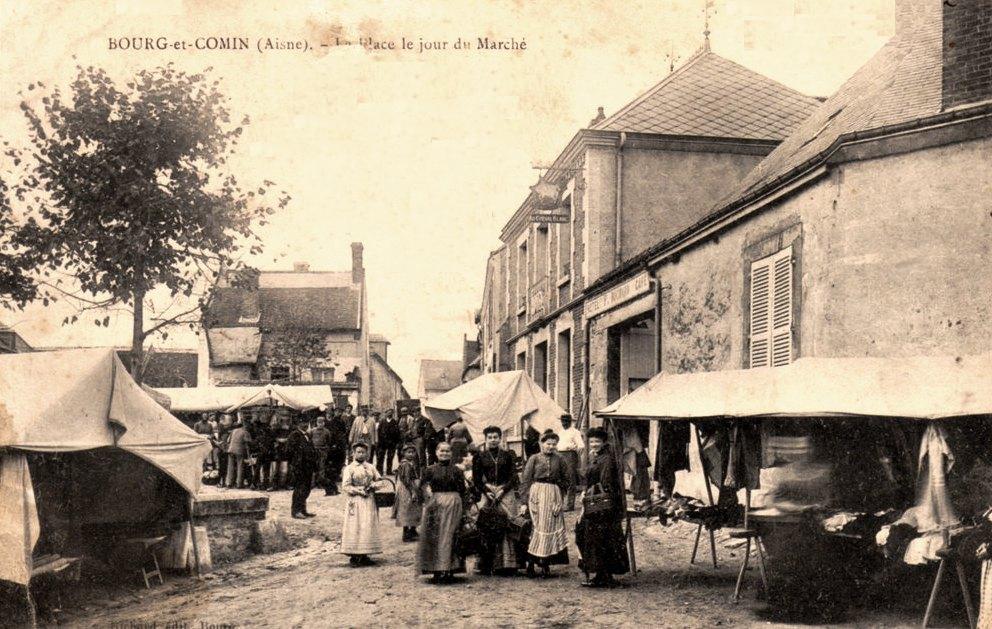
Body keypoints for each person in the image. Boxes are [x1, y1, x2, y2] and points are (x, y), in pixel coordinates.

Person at [575, 427, 630, 588]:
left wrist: (588, 492)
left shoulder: (606, 459)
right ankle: (600, 574)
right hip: (595, 503)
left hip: (603, 506)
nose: (594, 444)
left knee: (605, 539)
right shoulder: (595, 457)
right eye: (591, 441)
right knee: (593, 538)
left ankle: (606, 575)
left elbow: (605, 483)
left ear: (603, 442)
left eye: (597, 441)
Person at [472, 425, 524, 575]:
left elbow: (513, 476)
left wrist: (502, 490)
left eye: (496, 437)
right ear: (486, 439)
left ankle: (508, 564)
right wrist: (487, 491)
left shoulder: (508, 455)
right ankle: (485, 563)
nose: (493, 440)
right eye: (490, 437)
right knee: (484, 522)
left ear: (500, 438)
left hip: (505, 491)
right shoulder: (480, 457)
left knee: (509, 522)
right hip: (488, 491)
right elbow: (477, 479)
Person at [519, 429, 570, 578]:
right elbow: (526, 480)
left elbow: (566, 480)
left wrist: (560, 497)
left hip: (553, 494)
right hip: (536, 494)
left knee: (550, 528)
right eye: (548, 444)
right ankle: (530, 564)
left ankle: (546, 564)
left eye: (554, 444)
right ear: (541, 444)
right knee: (534, 529)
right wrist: (524, 502)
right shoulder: (534, 458)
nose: (551, 447)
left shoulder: (560, 459)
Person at [417, 442, 469, 583]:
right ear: (436, 452)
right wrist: (428, 499)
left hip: (453, 504)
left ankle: (450, 569)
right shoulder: (429, 470)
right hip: (435, 506)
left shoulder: (457, 471)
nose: (444, 453)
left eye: (447, 451)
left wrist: (464, 509)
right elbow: (422, 486)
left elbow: (462, 491)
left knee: (451, 537)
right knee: (436, 537)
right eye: (442, 451)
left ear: (451, 454)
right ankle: (436, 570)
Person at [340, 442, 383, 565]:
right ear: (353, 453)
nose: (361, 454)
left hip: (368, 500)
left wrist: (373, 486)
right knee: (355, 525)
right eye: (358, 452)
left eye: (363, 452)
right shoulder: (349, 468)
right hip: (355, 500)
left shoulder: (371, 467)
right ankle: (354, 555)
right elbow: (345, 486)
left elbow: (380, 481)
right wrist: (358, 491)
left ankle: (364, 554)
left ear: (367, 453)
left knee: (367, 525)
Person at [286, 416, 318, 519]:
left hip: (308, 466)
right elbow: (289, 451)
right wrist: (295, 464)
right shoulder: (294, 435)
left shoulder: (307, 435)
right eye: (303, 423)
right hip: (299, 466)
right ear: (298, 424)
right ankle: (296, 511)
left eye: (306, 422)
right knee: (299, 488)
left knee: (306, 489)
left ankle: (303, 510)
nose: (305, 425)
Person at [393, 444, 423, 542]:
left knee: (413, 509)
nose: (411, 454)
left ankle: (412, 530)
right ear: (404, 453)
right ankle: (406, 533)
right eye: (408, 452)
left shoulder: (411, 463)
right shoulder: (405, 464)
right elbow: (406, 480)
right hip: (407, 489)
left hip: (411, 487)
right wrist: (413, 491)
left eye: (413, 452)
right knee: (407, 509)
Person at [557, 414, 585, 511]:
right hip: (559, 455)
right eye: (563, 421)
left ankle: (570, 505)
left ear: (570, 422)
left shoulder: (575, 432)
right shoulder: (560, 432)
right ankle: (559, 504)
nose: (564, 423)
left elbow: (581, 446)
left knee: (570, 479)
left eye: (566, 421)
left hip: (570, 455)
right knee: (560, 479)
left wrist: (573, 450)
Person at [325, 408, 349, 495]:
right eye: (336, 412)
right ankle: (331, 488)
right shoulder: (330, 423)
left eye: (340, 412)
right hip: (333, 448)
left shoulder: (341, 421)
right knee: (332, 468)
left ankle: (334, 486)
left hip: (340, 446)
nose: (338, 413)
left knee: (338, 465)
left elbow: (344, 433)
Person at [225, 419, 252, 489]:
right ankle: (239, 484)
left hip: (230, 450)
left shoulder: (233, 431)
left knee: (230, 467)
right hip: (239, 451)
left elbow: (228, 440)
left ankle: (229, 483)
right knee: (240, 466)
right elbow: (248, 443)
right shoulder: (245, 432)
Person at [310, 416, 332, 493]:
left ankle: (320, 483)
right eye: (319, 422)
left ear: (324, 423)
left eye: (322, 422)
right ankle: (312, 483)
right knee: (313, 467)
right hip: (314, 451)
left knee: (321, 467)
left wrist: (325, 449)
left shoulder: (326, 431)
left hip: (323, 451)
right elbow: (309, 440)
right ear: (316, 423)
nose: (320, 424)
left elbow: (329, 441)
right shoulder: (312, 431)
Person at [377, 409, 402, 475]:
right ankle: (379, 471)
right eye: (388, 413)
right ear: (386, 413)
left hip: (392, 443)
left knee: (390, 457)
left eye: (391, 413)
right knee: (381, 457)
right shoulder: (382, 421)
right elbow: (379, 432)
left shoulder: (395, 422)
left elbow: (397, 433)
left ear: (392, 414)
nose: (389, 414)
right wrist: (379, 441)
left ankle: (389, 471)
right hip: (383, 443)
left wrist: (396, 442)